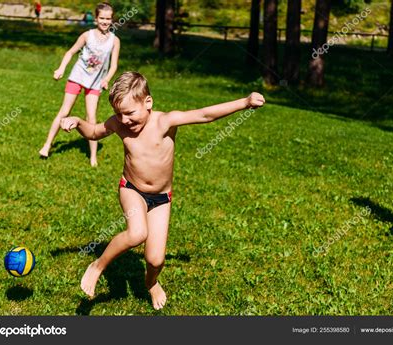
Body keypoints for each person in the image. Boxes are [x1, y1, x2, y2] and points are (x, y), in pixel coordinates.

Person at [60, 71, 265, 309]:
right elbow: (94, 132)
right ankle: (98, 266)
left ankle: (151, 283)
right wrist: (77, 122)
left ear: (148, 103)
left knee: (155, 259)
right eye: (119, 113)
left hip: (161, 198)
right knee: (137, 234)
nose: (124, 119)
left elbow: (205, 115)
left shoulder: (165, 122)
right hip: (132, 189)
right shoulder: (118, 123)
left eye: (129, 113)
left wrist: (244, 102)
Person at [39, 2, 120, 167]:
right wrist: (61, 68)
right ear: (96, 19)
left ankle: (93, 157)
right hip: (77, 77)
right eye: (102, 18)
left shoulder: (114, 40)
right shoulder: (87, 35)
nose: (105, 21)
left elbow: (114, 65)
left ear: (112, 20)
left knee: (91, 117)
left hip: (95, 82)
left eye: (108, 18)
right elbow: (70, 52)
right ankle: (47, 145)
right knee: (65, 111)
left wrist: (107, 79)